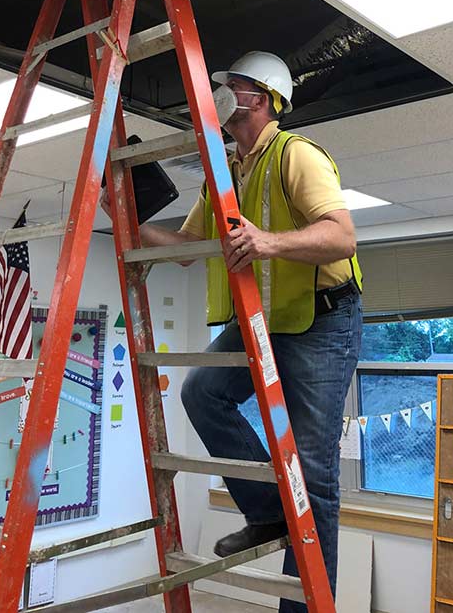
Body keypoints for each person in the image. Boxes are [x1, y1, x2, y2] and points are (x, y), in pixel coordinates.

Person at [109, 51, 361, 612]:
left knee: (312, 470)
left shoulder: (297, 155)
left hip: (322, 319)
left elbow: (342, 237)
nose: (225, 95)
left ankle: (303, 606)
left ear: (267, 99)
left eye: (237, 86)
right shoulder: (225, 173)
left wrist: (268, 240)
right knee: (203, 394)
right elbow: (186, 252)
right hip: (265, 319)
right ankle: (269, 511)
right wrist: (131, 225)